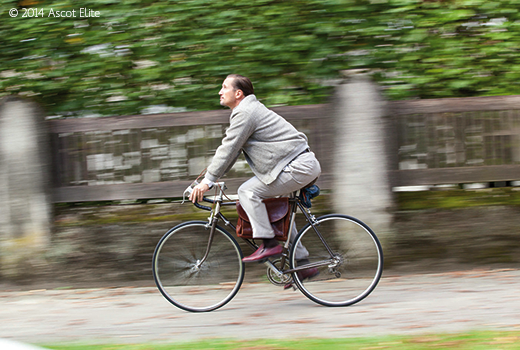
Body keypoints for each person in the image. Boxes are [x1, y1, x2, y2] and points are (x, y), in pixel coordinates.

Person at [189, 74, 321, 265]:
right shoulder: (248, 110)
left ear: (238, 93)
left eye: (224, 87)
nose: (220, 91)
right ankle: (301, 263)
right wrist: (210, 177)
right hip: (296, 165)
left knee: (247, 191)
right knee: (271, 208)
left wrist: (207, 182)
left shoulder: (246, 112)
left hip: (298, 167)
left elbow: (228, 149)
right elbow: (232, 152)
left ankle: (269, 244)